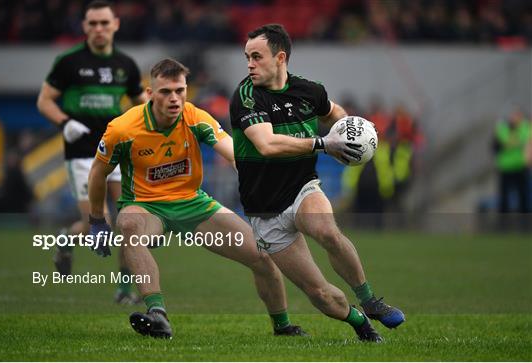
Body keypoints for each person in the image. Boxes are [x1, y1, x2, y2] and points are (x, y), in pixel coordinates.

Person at [87, 58, 304, 339]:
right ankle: (157, 314)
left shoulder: (195, 117)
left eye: (180, 90)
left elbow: (232, 152)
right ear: (150, 94)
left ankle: (283, 327)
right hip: (146, 207)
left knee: (262, 256)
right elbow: (97, 173)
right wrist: (96, 219)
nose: (175, 98)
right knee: (129, 226)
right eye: (166, 92)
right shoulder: (122, 129)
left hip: (193, 204)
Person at [229, 24, 406, 342]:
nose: (249, 64)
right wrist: (324, 144)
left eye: (256, 57)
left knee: (327, 232)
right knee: (321, 295)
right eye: (247, 57)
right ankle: (359, 321)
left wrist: (351, 130)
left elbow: (334, 112)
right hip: (265, 210)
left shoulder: (310, 91)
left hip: (302, 188)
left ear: (280, 58)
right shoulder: (246, 97)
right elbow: (267, 145)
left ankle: (369, 300)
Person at [36, 1, 147, 304]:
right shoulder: (69, 62)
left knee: (129, 221)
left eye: (104, 23)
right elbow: (44, 101)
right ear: (84, 27)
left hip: (117, 152)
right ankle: (66, 238)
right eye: (92, 23)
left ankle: (124, 292)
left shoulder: (126, 64)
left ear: (116, 24)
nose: (99, 29)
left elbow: (142, 104)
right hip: (83, 153)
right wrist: (65, 122)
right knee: (99, 223)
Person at [493, 107, 531, 214]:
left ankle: (525, 224)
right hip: (506, 168)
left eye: (517, 115)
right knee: (504, 198)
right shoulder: (503, 128)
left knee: (523, 197)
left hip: (520, 167)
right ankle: (503, 225)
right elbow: (500, 143)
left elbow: (522, 140)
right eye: (513, 115)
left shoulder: (525, 128)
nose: (514, 118)